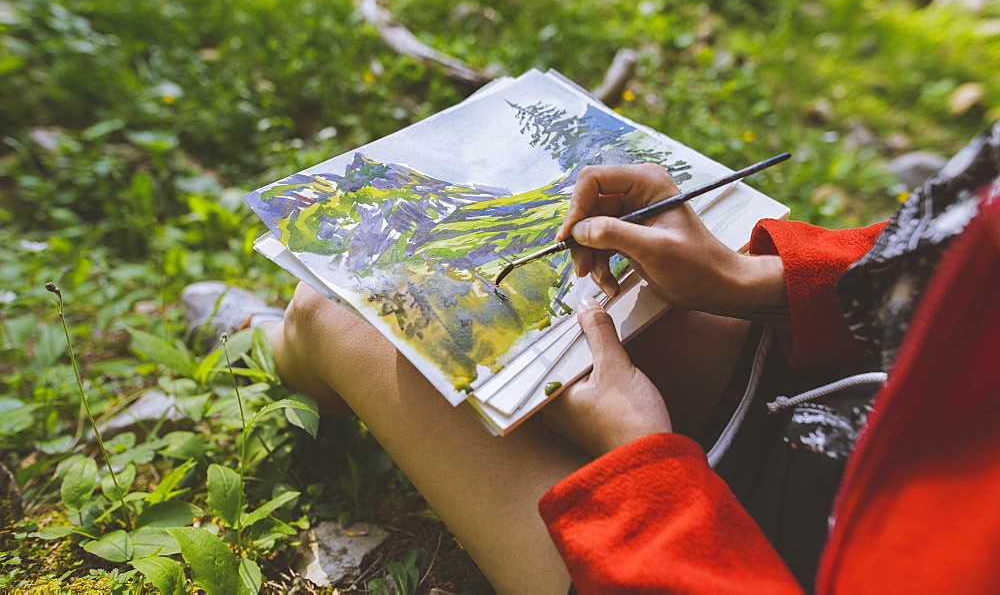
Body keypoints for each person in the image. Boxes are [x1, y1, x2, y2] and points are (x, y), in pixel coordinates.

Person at [186, 123, 999, 593]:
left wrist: (644, 469)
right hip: (844, 386)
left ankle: (271, 347)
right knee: (463, 297)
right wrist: (759, 281)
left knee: (337, 311)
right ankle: (284, 346)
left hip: (714, 555)